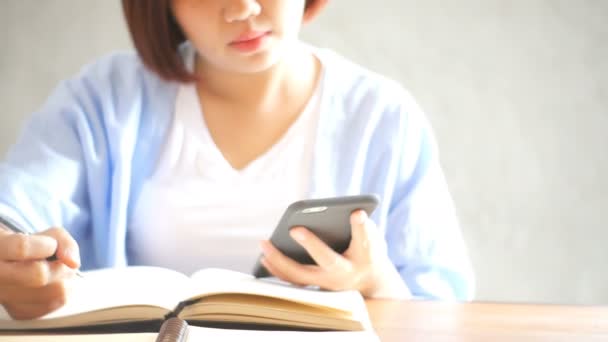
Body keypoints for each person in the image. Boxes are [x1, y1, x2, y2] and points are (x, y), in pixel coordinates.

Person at [0, 0, 474, 320]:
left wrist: (376, 283)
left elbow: (440, 310)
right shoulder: (104, 101)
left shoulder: (382, 119)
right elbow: (17, 204)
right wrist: (14, 265)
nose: (243, 9)